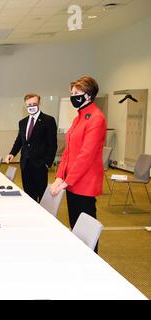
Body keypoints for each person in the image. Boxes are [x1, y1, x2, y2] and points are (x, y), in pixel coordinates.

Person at [51, 75, 106, 253]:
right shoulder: (78, 118)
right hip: (72, 182)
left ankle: (92, 262)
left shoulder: (96, 118)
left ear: (88, 95)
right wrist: (60, 177)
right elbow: (68, 152)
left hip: (84, 183)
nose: (72, 96)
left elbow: (86, 156)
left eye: (76, 93)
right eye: (72, 93)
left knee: (87, 232)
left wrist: (67, 181)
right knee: (75, 227)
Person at [4, 93, 57, 202]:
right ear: (25, 105)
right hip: (25, 164)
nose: (31, 106)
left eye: (34, 104)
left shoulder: (48, 120)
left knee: (41, 195)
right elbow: (19, 141)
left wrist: (47, 163)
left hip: (40, 164)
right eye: (29, 104)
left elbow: (53, 144)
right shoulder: (22, 122)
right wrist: (11, 153)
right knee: (29, 194)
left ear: (39, 104)